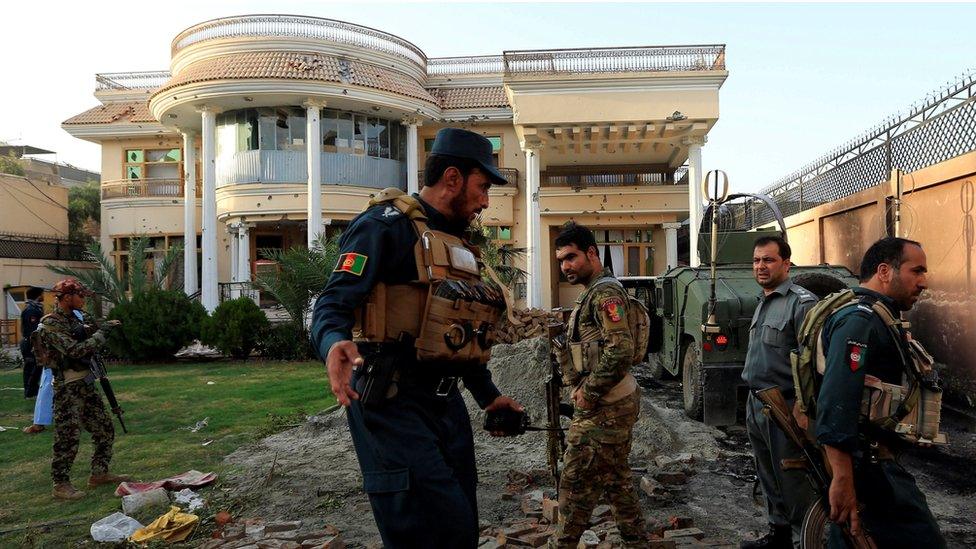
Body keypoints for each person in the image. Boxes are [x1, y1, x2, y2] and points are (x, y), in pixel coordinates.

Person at [310, 127, 524, 548]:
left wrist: (488, 396)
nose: (485, 201)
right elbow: (332, 303)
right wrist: (333, 342)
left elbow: (461, 336)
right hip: (392, 400)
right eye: (482, 188)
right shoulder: (383, 227)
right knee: (426, 530)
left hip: (444, 404)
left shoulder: (457, 246)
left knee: (460, 526)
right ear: (452, 179)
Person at [817, 237, 945, 547]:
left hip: (871, 464)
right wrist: (843, 478)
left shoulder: (878, 317)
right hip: (869, 468)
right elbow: (837, 401)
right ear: (885, 271)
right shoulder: (859, 321)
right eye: (917, 271)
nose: (924, 282)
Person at [551, 222, 646, 549]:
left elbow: (620, 349)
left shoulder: (604, 293)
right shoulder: (593, 293)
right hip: (610, 404)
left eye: (571, 257)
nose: (565, 266)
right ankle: (637, 542)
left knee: (574, 489)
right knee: (616, 481)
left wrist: (588, 393)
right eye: (561, 260)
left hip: (604, 407)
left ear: (591, 252)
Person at [740, 236, 819, 548]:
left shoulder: (802, 303)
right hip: (757, 402)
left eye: (769, 260)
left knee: (793, 478)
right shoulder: (763, 300)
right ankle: (779, 535)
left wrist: (803, 407)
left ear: (786, 263)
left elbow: (814, 363)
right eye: (757, 260)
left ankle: (805, 539)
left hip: (785, 405)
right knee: (767, 473)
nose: (761, 266)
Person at [35, 278, 130, 500]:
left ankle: (99, 473)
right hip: (68, 388)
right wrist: (101, 334)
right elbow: (76, 350)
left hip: (86, 383)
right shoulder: (50, 325)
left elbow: (92, 327)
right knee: (67, 436)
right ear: (67, 298)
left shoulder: (77, 318)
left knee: (104, 428)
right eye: (80, 296)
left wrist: (106, 325)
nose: (84, 300)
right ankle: (60, 483)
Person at [20, 286, 44, 399]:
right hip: (30, 343)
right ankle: (29, 393)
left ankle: (33, 390)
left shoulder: (35, 308)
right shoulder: (32, 310)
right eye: (42, 294)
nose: (43, 296)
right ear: (38, 296)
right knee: (31, 367)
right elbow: (32, 329)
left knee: (37, 367)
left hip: (33, 342)